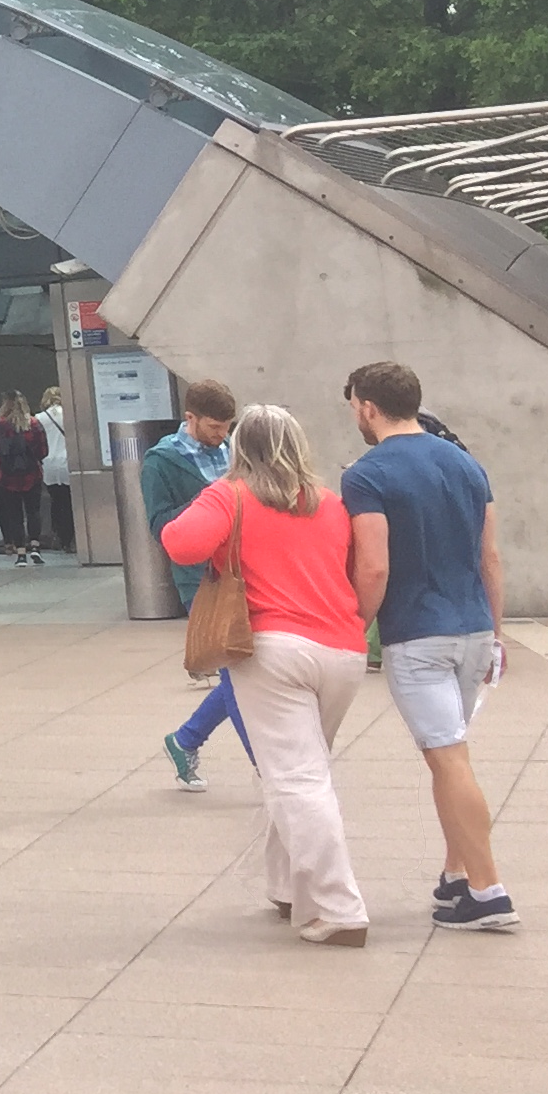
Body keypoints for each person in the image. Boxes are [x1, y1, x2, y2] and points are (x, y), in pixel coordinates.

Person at [158, 404, 370, 946]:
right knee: (298, 767)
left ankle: (338, 906)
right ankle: (286, 887)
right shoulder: (331, 503)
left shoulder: (230, 496)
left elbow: (179, 543)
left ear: (240, 449)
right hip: (342, 650)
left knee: (297, 778)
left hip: (272, 649)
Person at [342, 360, 515, 931]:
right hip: (473, 628)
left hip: (417, 633)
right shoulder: (467, 463)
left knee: (448, 757)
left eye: (354, 408)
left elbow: (374, 566)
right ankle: (457, 876)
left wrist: (353, 624)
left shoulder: (367, 474)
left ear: (367, 407)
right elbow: (490, 557)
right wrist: (497, 632)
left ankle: (489, 891)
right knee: (448, 757)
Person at [147, 381, 252, 789]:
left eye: (227, 427)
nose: (220, 435)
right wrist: (211, 501)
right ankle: (267, 768)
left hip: (241, 572)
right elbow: (160, 526)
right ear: (189, 418)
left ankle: (185, 739)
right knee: (237, 676)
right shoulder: (162, 462)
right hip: (200, 579)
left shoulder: (232, 451)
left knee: (240, 672)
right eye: (213, 427)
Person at [0, 394, 49, 564]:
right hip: (32, 474)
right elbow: (43, 450)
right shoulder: (34, 424)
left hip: (6, 476)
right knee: (33, 511)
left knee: (14, 514)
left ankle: (21, 553)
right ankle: (35, 546)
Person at [38, 385, 75, 553]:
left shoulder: (39, 418)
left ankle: (59, 536)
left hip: (48, 464)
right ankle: (71, 538)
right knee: (69, 501)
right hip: (68, 461)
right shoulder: (70, 415)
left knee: (55, 500)